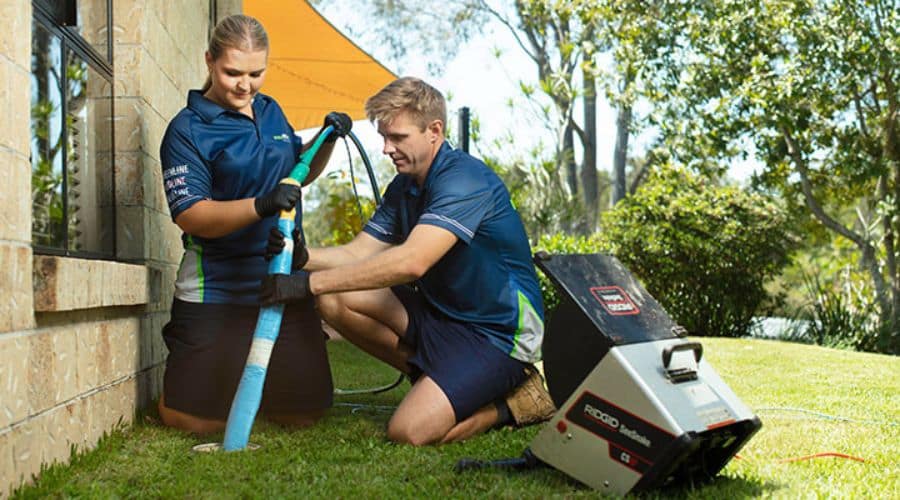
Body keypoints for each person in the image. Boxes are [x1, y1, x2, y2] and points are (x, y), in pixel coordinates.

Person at [261, 76, 556, 445]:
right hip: (442, 315)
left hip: (496, 334)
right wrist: (302, 258)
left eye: (397, 137)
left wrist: (306, 283)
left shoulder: (465, 180)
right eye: (384, 137)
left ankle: (508, 405)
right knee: (334, 300)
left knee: (408, 432)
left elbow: (412, 262)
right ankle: (439, 381)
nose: (386, 148)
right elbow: (357, 254)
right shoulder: (404, 187)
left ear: (434, 130)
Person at [157, 14, 352, 434]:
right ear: (209, 61)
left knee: (303, 415)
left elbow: (299, 173)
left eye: (256, 73)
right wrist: (262, 204)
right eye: (232, 73)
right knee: (191, 420)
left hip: (280, 279)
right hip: (218, 287)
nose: (245, 85)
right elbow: (192, 214)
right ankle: (207, 374)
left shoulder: (270, 111)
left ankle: (258, 381)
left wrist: (327, 140)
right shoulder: (187, 130)